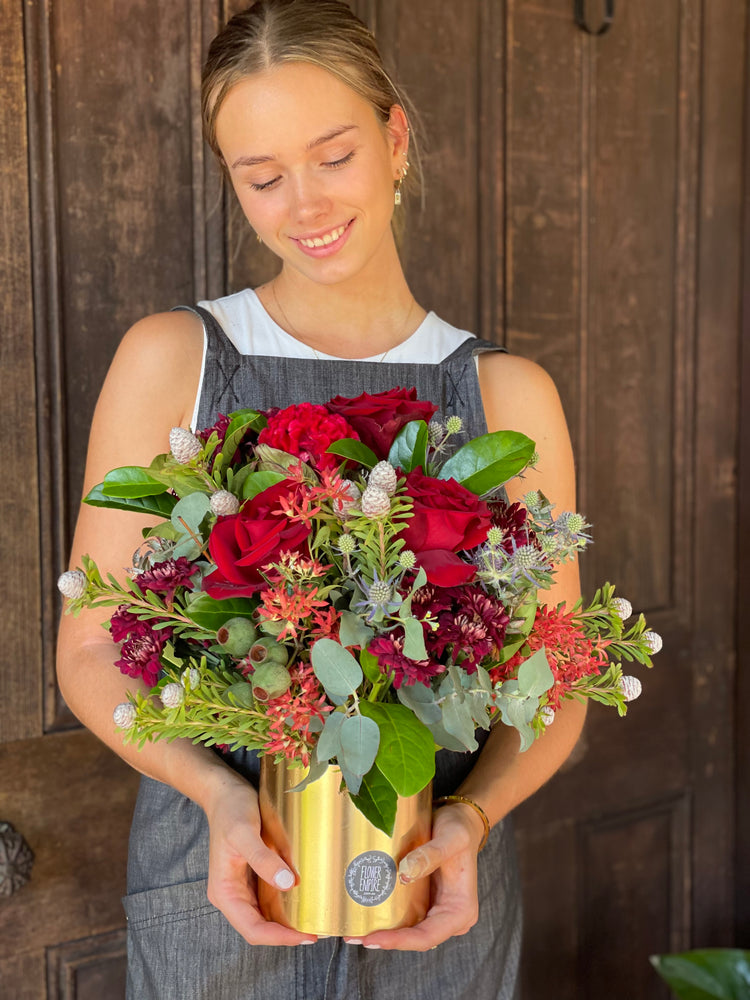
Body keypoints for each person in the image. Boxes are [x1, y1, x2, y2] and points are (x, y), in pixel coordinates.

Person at [56, 2, 585, 997]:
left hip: (438, 899)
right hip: (225, 891)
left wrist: (473, 816)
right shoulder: (173, 360)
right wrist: (213, 791)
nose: (303, 204)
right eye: (261, 177)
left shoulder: (510, 397)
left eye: (333, 155)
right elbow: (90, 646)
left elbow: (558, 665)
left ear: (395, 138)